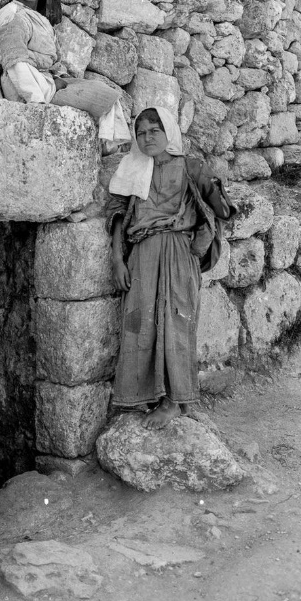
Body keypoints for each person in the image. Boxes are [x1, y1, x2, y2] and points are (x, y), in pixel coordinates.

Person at [106, 106, 235, 429]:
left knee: (176, 322)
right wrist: (118, 258)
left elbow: (221, 209)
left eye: (154, 131)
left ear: (169, 133)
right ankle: (144, 396)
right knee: (140, 322)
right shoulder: (131, 169)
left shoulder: (190, 167)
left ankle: (174, 401)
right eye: (141, 133)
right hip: (141, 255)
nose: (147, 138)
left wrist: (200, 244)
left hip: (178, 255)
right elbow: (119, 214)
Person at [0, 0, 130, 142]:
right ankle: (109, 145)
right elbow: (16, 64)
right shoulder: (13, 15)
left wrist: (60, 78)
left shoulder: (37, 17)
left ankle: (109, 145)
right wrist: (37, 103)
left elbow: (52, 61)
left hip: (47, 83)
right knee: (104, 95)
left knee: (106, 92)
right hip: (29, 89)